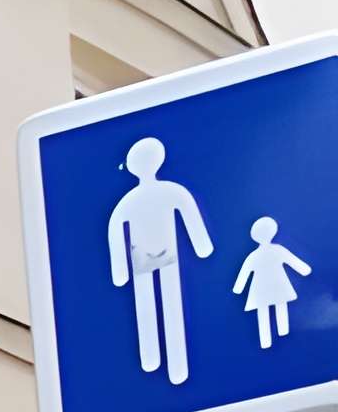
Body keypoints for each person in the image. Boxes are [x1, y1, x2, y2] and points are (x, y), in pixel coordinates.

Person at [108, 136, 214, 384]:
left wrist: (120, 271)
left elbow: (115, 231)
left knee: (150, 306)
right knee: (168, 305)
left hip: (145, 259)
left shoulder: (131, 201)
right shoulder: (171, 191)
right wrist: (201, 246)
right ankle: (168, 365)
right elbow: (189, 215)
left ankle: (154, 359)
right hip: (162, 256)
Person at [235, 215, 311, 349]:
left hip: (261, 290)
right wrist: (304, 270)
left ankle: (267, 340)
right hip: (278, 285)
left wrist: (238, 288)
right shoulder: (278, 250)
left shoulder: (253, 256)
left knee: (263, 312)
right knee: (280, 305)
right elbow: (295, 263)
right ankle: (283, 331)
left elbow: (243, 275)